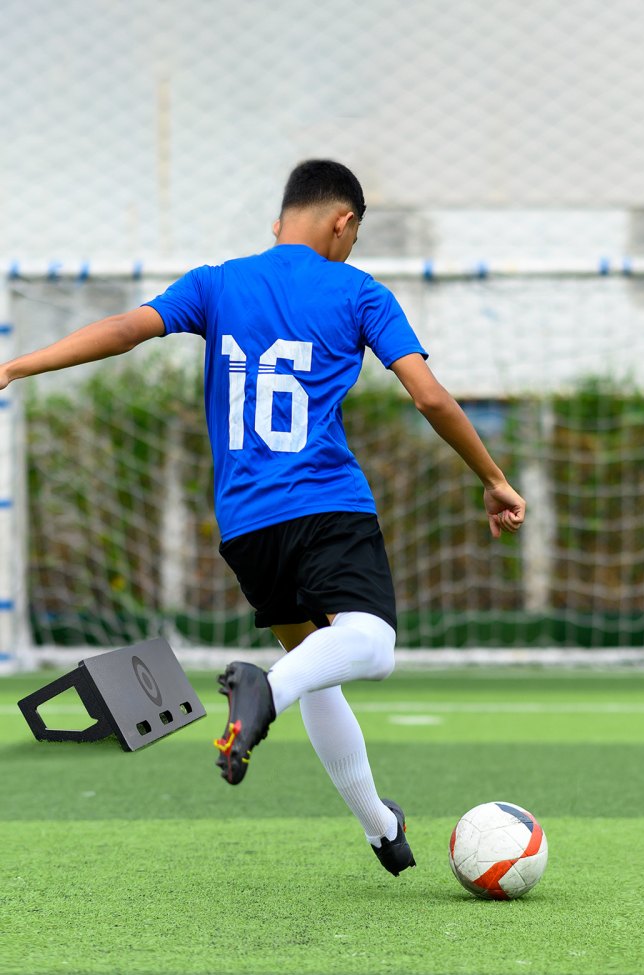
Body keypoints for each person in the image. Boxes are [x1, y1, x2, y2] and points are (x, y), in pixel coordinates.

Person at [0, 159, 526, 877]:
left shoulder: (217, 282)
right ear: (344, 222)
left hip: (247, 526)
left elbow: (125, 329)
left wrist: (14, 368)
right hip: (327, 505)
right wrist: (493, 479)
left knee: (318, 668)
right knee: (371, 646)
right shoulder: (359, 291)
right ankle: (263, 692)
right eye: (354, 235)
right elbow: (429, 397)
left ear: (280, 222)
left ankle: (380, 829)